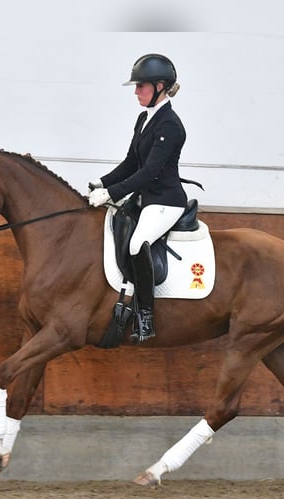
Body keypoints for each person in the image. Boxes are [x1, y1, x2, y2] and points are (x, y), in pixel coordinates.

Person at [87, 53, 188, 344]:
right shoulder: (144, 118)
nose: (136, 92)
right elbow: (131, 162)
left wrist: (112, 193)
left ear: (159, 86)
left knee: (136, 244)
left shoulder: (170, 125)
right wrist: (102, 182)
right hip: (145, 199)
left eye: (141, 86)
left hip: (166, 201)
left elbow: (149, 172)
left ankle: (145, 315)